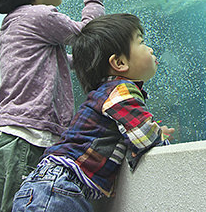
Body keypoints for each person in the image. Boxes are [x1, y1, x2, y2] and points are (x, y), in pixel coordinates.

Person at [0, 0, 105, 212]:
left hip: (15, 138)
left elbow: (56, 64)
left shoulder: (16, 21)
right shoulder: (39, 15)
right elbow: (89, 37)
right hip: (26, 139)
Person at [12, 13, 174, 212]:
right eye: (141, 42)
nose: (149, 49)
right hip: (57, 189)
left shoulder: (104, 94)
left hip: (46, 186)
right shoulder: (121, 90)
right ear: (120, 63)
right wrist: (160, 138)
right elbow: (145, 138)